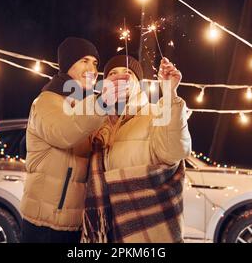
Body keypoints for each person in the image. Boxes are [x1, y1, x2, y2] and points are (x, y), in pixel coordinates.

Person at [81, 55, 192, 243]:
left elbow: (175, 152)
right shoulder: (96, 123)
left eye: (128, 73)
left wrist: (169, 93)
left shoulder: (155, 113)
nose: (120, 78)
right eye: (113, 74)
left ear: (138, 84)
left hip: (145, 231)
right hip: (107, 232)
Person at [21, 37, 113, 243]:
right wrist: (102, 103)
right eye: (84, 60)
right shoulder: (46, 101)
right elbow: (63, 132)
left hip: (77, 223)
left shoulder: (87, 105)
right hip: (44, 224)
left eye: (95, 63)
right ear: (67, 63)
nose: (92, 68)